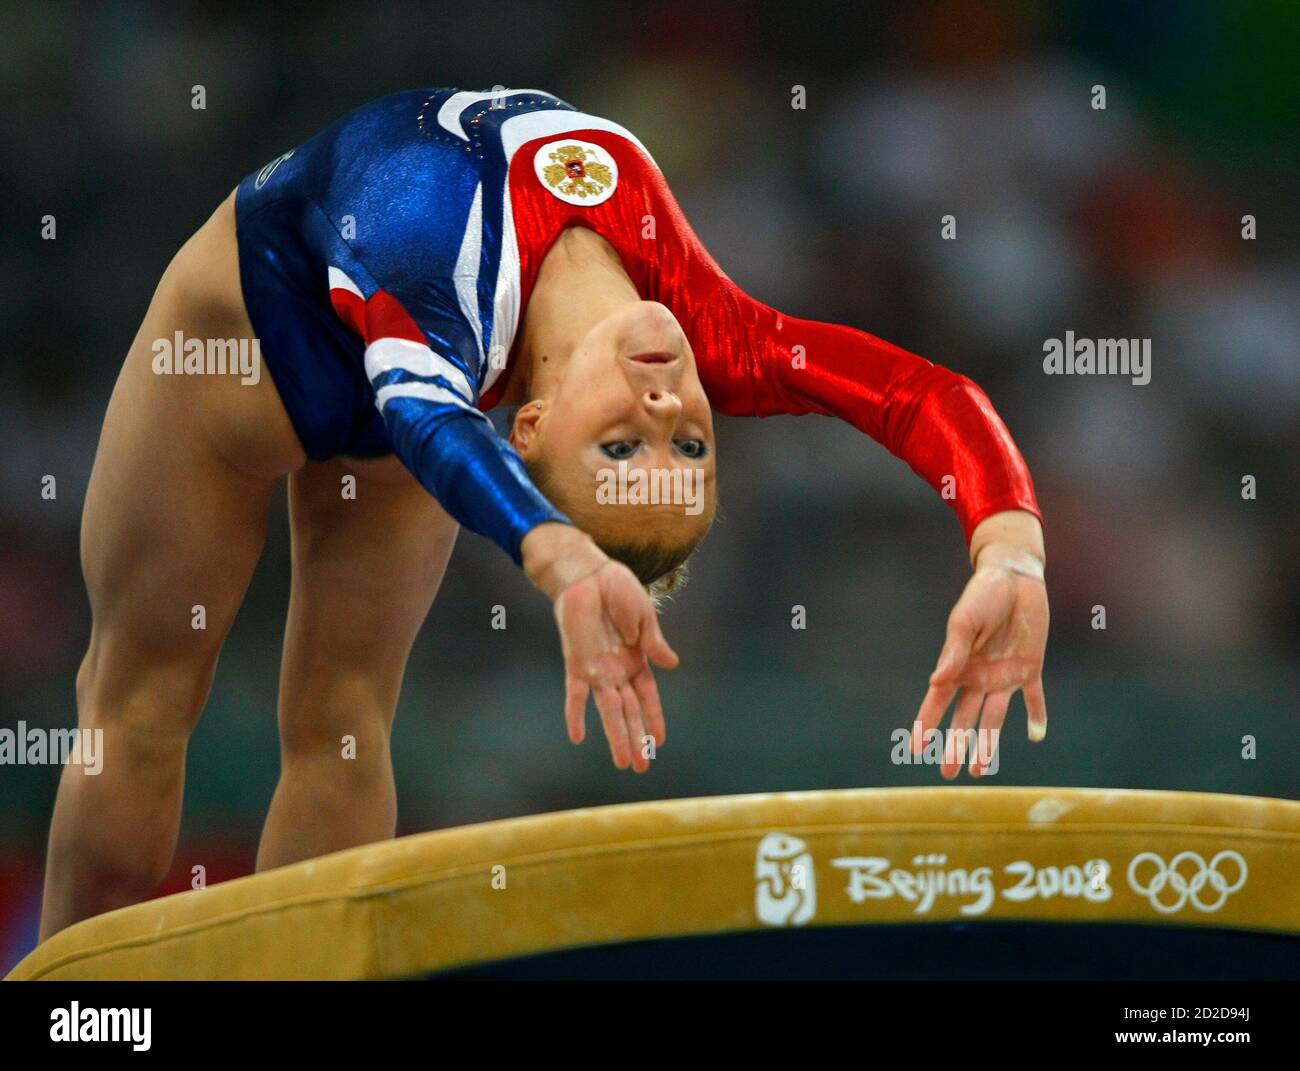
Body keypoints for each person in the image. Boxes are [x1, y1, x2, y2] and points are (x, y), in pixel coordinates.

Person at [39, 87, 1048, 940]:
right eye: (689, 448)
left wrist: (560, 557)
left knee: (308, 717)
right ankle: (76, 1012)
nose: (664, 412)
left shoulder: (436, 284)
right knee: (143, 706)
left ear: (527, 426)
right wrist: (1010, 548)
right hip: (334, 358)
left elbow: (424, 414)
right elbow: (925, 398)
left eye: (621, 449)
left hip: (256, 365)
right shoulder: (718, 336)